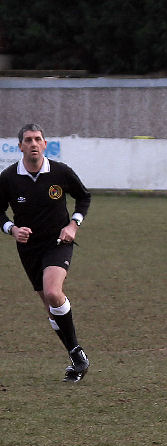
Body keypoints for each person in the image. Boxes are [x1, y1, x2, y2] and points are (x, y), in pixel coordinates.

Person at [0, 124, 91, 382]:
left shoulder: (60, 172)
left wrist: (73, 224)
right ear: (20, 147)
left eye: (38, 139)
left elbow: (84, 197)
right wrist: (11, 228)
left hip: (57, 243)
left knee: (53, 292)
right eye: (28, 140)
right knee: (50, 308)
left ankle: (76, 352)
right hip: (28, 249)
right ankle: (77, 358)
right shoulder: (8, 178)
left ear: (44, 144)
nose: (33, 144)